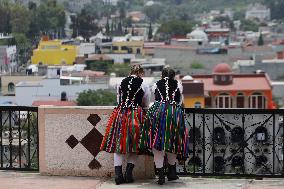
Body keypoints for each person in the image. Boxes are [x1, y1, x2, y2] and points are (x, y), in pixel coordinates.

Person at [100, 65, 150, 185]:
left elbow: (119, 100)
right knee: (135, 145)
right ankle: (128, 174)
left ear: (130, 72)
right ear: (140, 73)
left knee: (119, 146)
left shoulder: (120, 82)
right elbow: (146, 101)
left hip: (120, 113)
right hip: (135, 115)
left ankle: (118, 175)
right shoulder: (143, 84)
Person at [140, 67, 188, 185]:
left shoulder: (156, 84)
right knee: (173, 141)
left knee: (157, 143)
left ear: (162, 75)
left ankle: (161, 175)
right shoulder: (178, 84)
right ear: (173, 75)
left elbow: (153, 98)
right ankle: (171, 173)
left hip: (157, 112)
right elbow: (180, 101)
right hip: (173, 113)